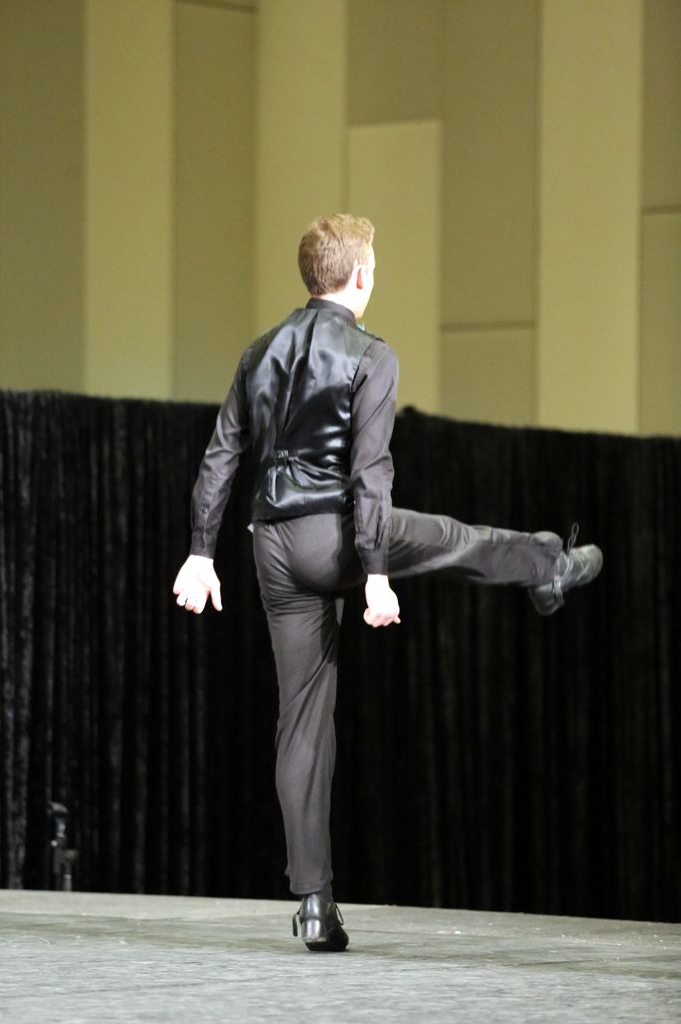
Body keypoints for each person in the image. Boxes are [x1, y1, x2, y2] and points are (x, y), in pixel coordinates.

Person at [172, 214, 603, 953]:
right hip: (337, 534)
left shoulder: (258, 351)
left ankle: (314, 904)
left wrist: (200, 553)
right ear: (361, 275)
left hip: (270, 546)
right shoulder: (371, 354)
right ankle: (549, 567)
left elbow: (221, 457)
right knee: (450, 539)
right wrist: (374, 573)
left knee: (301, 721)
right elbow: (371, 474)